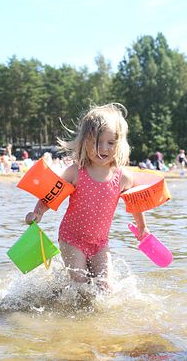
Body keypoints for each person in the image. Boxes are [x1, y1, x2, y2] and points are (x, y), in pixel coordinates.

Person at [24, 103, 149, 289]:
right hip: (71, 239)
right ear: (84, 141)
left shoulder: (123, 177)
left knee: (105, 288)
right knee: (80, 286)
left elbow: (135, 203)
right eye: (96, 142)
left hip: (100, 243)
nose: (103, 149)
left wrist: (142, 228)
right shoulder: (76, 172)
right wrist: (38, 212)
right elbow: (52, 193)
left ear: (119, 144)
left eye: (110, 143)